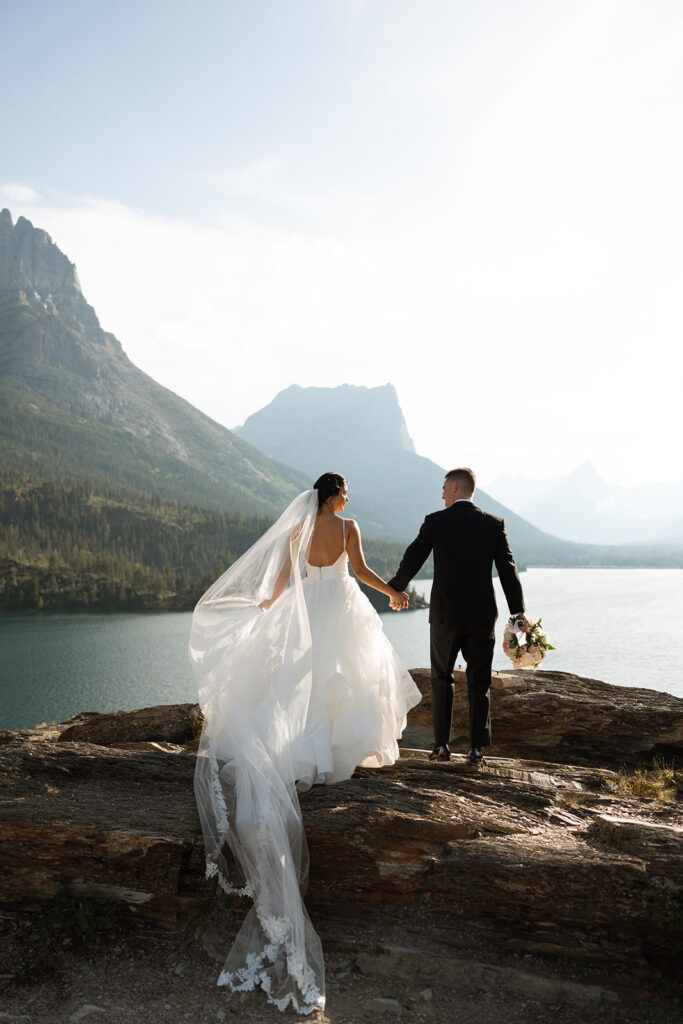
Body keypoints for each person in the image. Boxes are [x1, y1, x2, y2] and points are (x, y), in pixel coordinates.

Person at [190, 473, 420, 1014]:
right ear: (334, 496)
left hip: (306, 608)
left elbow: (284, 576)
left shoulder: (298, 529)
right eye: (346, 492)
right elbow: (359, 571)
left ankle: (306, 748)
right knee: (346, 677)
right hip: (340, 606)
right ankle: (338, 749)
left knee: (304, 681)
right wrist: (393, 592)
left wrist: (270, 603)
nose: (349, 498)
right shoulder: (347, 526)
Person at [388, 466, 528, 765]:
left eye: (443, 489)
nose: (441, 495)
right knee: (480, 681)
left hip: (445, 614)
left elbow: (413, 557)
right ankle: (476, 750)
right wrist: (518, 612)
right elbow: (508, 569)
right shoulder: (493, 524)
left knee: (441, 678)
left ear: (454, 488)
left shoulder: (436, 522)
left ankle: (441, 747)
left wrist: (395, 589)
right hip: (481, 615)